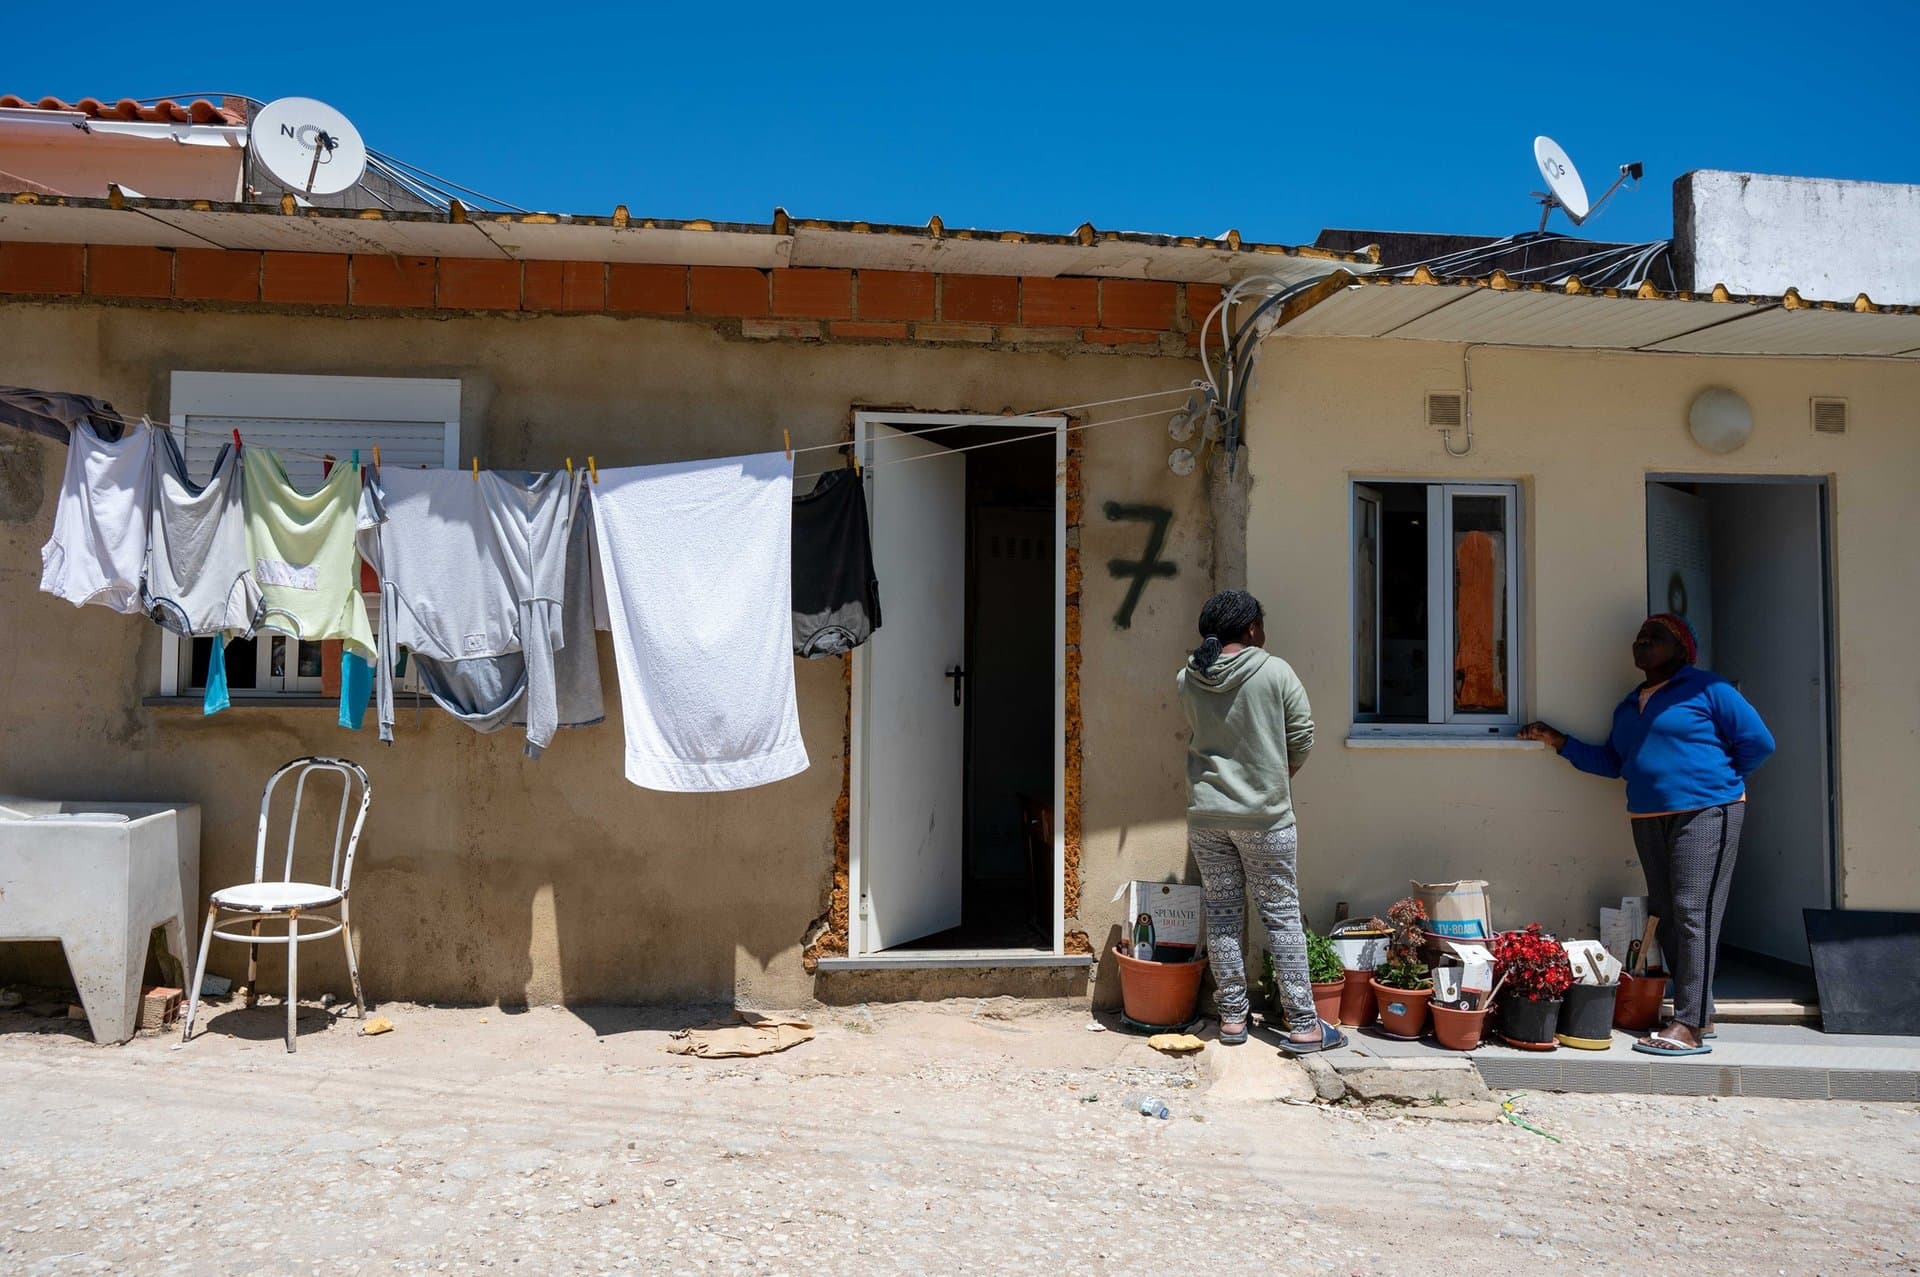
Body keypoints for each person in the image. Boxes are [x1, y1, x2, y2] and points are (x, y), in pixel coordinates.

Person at [1520, 613, 1775, 1056]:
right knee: (1668, 913)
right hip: (1647, 816)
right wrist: (1560, 743)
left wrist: (1718, 784)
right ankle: (1702, 1013)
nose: (1642, 642)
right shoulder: (1629, 705)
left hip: (1706, 812)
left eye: (1655, 637)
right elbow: (1614, 762)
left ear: (1682, 649)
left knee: (1695, 912)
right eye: (1639, 637)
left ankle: (1689, 1025)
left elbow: (1758, 743)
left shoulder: (1709, 689)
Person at [1177, 589, 1342, 1053]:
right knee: (1282, 916)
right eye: (1261, 626)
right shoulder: (1275, 671)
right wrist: (1275, 779)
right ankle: (1305, 1025)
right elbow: (1303, 737)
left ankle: (1232, 1020)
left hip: (1207, 815)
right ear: (1251, 629)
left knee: (1224, 914)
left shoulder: (1188, 678)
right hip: (1266, 818)